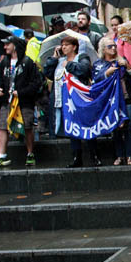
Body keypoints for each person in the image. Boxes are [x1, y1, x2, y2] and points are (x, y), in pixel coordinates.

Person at [44, 36, 99, 167]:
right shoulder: (59, 61)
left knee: (87, 126)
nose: (64, 47)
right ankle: (76, 157)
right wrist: (53, 59)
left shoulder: (82, 57)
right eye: (62, 45)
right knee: (72, 129)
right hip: (65, 101)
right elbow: (48, 73)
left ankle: (94, 155)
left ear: (74, 47)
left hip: (80, 99)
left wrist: (68, 65)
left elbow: (84, 70)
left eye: (67, 45)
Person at [0, 36, 41, 168]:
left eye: (7, 45)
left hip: (24, 102)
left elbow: (36, 83)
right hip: (7, 101)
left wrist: (21, 92)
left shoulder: (28, 62)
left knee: (28, 126)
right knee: (2, 126)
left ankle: (30, 154)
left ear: (15, 46)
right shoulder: (4, 62)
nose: (5, 47)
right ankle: (2, 156)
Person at [93, 36, 131, 165]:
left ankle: (129, 155)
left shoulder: (121, 60)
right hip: (110, 100)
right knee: (115, 127)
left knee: (128, 126)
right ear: (103, 49)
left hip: (125, 98)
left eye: (114, 45)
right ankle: (119, 155)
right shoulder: (99, 64)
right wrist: (106, 73)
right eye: (109, 46)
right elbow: (95, 80)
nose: (113, 48)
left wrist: (128, 66)